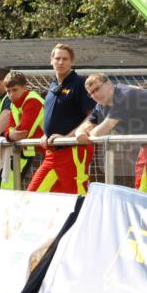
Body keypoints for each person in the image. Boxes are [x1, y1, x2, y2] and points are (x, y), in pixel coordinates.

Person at [76, 74, 147, 196]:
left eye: (97, 89)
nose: (95, 94)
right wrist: (79, 132)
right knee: (143, 194)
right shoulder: (102, 105)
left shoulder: (126, 95)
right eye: (91, 93)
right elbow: (88, 123)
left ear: (108, 84)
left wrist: (87, 136)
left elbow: (102, 130)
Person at [27, 44, 96, 195]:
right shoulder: (53, 85)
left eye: (65, 59)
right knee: (33, 195)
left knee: (77, 198)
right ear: (51, 61)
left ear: (72, 62)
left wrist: (67, 137)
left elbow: (93, 116)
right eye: (57, 58)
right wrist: (47, 133)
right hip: (53, 152)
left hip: (73, 150)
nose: (61, 62)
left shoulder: (80, 83)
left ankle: (86, 219)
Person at [3, 71, 46, 189]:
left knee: (35, 191)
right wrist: (10, 134)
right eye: (8, 91)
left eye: (14, 90)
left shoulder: (32, 101)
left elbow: (23, 132)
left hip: (58, 151)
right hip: (48, 151)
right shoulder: (14, 105)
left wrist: (10, 134)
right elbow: (9, 129)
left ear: (24, 87)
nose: (11, 94)